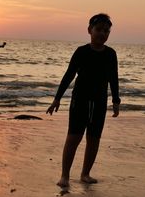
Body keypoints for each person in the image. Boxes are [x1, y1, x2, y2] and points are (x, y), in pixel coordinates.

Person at [46, 13, 121, 188]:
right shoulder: (82, 52)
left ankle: (85, 174)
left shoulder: (111, 54)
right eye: (99, 30)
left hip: (100, 102)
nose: (102, 33)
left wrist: (116, 101)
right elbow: (69, 75)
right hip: (80, 100)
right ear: (89, 30)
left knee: (94, 139)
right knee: (74, 137)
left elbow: (114, 79)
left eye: (106, 31)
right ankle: (65, 175)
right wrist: (57, 99)